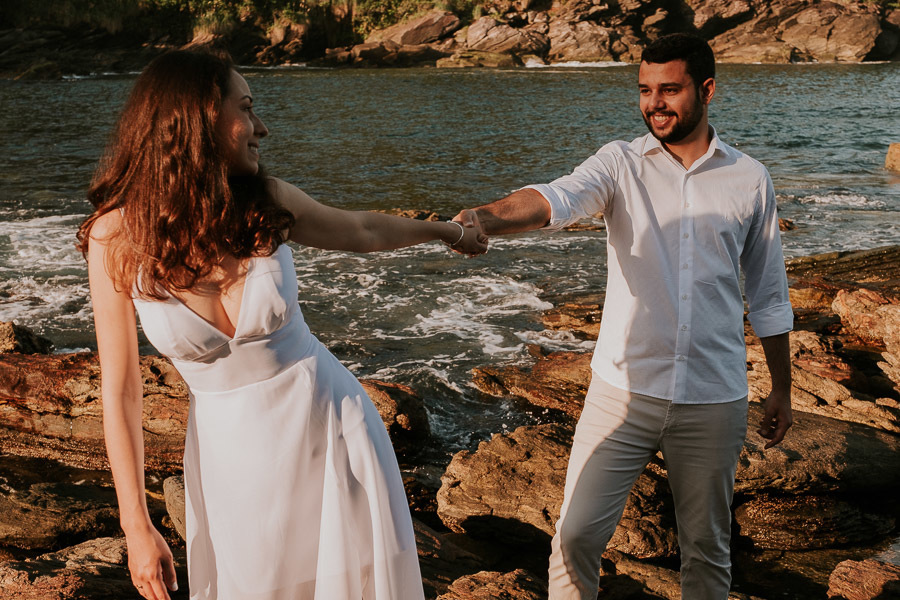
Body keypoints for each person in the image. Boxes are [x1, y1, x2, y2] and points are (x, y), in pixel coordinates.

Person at [77, 49, 486, 600]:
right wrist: (135, 525)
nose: (262, 128)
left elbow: (362, 230)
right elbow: (121, 389)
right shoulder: (114, 237)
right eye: (246, 108)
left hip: (332, 427)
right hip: (231, 463)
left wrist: (448, 233)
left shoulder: (262, 202)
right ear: (200, 118)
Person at [454, 33, 793, 599]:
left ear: (706, 90)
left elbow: (768, 292)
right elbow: (556, 198)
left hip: (713, 397)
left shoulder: (750, 179)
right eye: (644, 90)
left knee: (707, 551)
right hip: (622, 393)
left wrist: (781, 389)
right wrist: (486, 217)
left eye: (669, 89)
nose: (654, 103)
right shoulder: (619, 164)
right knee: (574, 537)